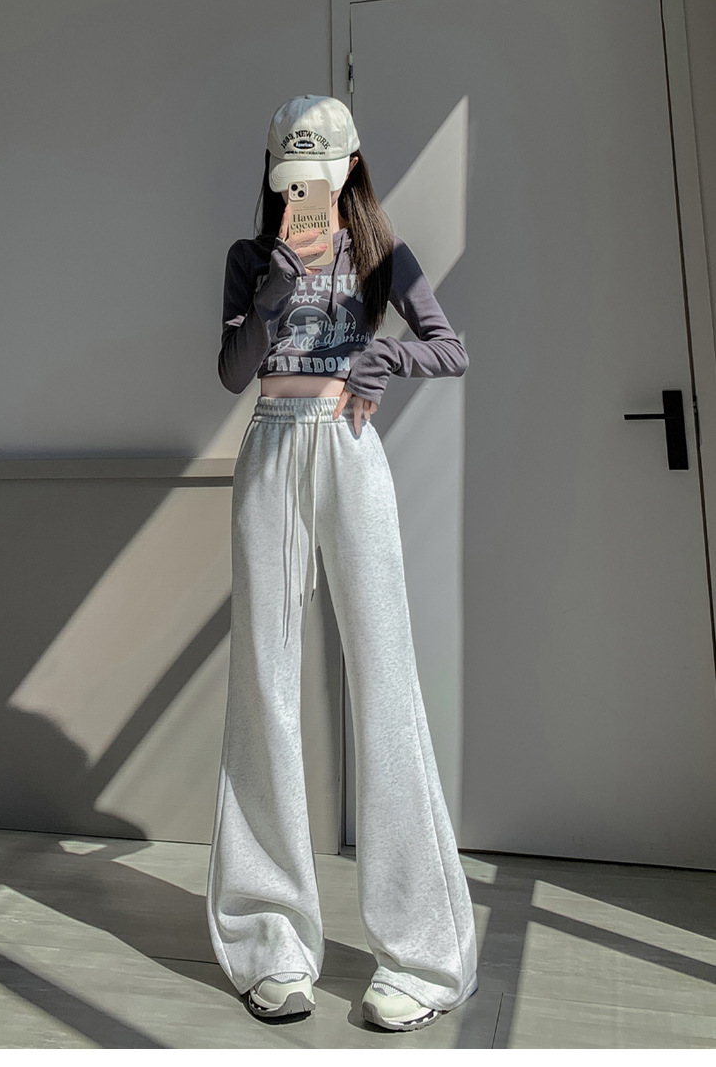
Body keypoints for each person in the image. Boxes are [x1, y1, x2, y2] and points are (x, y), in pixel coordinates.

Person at [206, 95, 478, 1033]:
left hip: (348, 446)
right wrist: (270, 293)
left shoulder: (383, 255)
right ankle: (269, 939)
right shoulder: (250, 256)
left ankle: (422, 954)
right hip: (268, 449)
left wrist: (386, 360)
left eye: (317, 179)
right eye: (291, 180)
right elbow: (233, 372)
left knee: (385, 680)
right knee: (264, 684)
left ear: (350, 168)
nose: (304, 196)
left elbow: (451, 347)